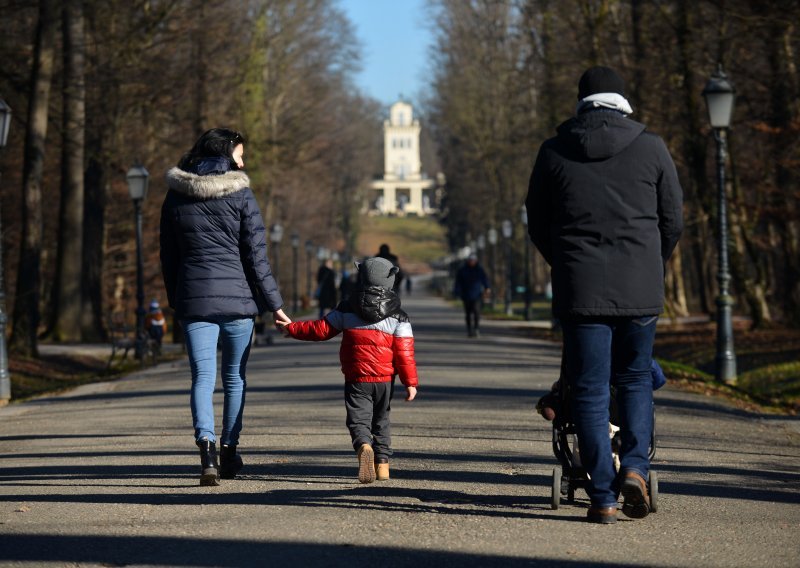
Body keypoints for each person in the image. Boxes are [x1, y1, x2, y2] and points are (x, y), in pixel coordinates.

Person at [526, 66, 683, 524]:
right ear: (621, 100)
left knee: (591, 390)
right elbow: (672, 218)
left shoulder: (553, 152)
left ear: (581, 102)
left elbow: (537, 222)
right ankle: (634, 467)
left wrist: (567, 263)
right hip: (640, 288)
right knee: (634, 380)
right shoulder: (651, 147)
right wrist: (652, 264)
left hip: (581, 289)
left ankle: (602, 496)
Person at [160, 127, 291, 486]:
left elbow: (168, 258)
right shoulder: (241, 195)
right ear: (226, 154)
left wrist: (178, 300)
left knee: (202, 377)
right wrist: (275, 306)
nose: (243, 161)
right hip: (238, 302)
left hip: (194, 303)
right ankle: (230, 450)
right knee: (234, 378)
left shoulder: (175, 196)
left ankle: (207, 452)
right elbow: (256, 258)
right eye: (240, 155)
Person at [278, 257, 419, 484]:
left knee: (358, 419)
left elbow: (320, 330)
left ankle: (364, 445)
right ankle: (383, 467)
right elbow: (405, 353)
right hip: (385, 379)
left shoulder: (347, 307)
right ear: (390, 279)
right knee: (381, 419)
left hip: (357, 378)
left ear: (361, 278)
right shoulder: (399, 314)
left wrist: (291, 329)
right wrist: (410, 382)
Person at [453, 254, 490, 337]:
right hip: (466, 295)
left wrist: (487, 287)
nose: (472, 262)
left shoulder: (479, 270)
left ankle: (476, 328)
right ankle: (469, 330)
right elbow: (458, 282)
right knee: (468, 313)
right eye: (470, 260)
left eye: (473, 260)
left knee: (476, 312)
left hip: (477, 295)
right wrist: (457, 292)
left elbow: (484, 279)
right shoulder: (463, 270)